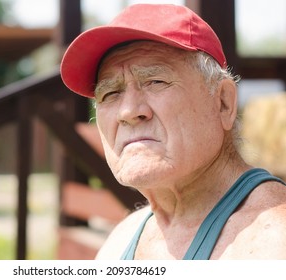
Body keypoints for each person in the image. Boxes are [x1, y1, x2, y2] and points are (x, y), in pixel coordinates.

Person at [60, 4, 286, 260]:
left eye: (156, 81)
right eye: (110, 93)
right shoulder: (123, 237)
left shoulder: (269, 241)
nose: (128, 111)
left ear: (223, 102)